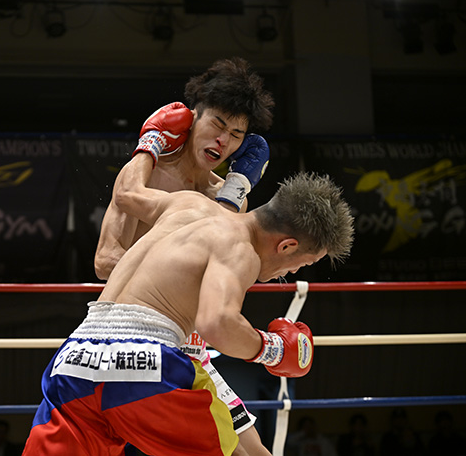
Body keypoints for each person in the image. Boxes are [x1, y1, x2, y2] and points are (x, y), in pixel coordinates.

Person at [22, 151, 354, 455]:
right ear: (287, 246)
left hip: (75, 359)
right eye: (303, 263)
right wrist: (273, 349)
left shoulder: (187, 204)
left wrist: (150, 146)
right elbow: (217, 323)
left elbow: (126, 194)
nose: (293, 271)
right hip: (145, 364)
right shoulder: (241, 248)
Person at [95, 57, 276, 455]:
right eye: (217, 124)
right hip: (140, 340)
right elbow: (105, 260)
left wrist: (235, 191)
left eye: (236, 134)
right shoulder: (145, 176)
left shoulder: (227, 196)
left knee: (256, 452)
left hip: (194, 349)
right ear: (193, 117)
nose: (223, 141)